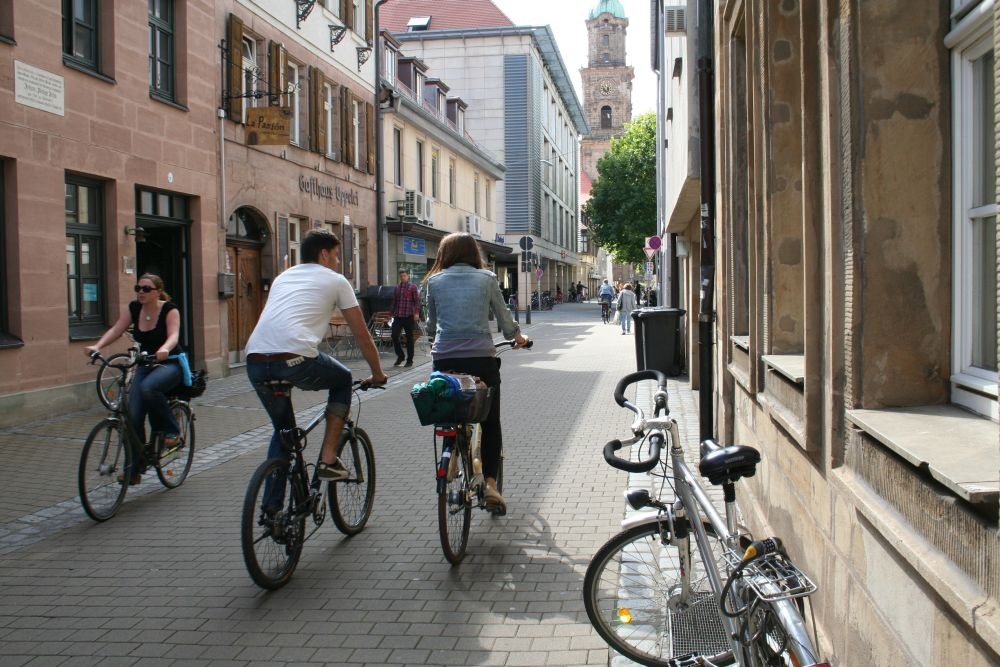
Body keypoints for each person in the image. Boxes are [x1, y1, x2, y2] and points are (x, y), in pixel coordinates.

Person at [246, 230, 387, 485]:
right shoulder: (336, 281)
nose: (337, 261)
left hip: (255, 360)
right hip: (294, 358)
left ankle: (272, 508)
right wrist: (378, 373)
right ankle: (328, 459)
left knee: (284, 433)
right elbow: (362, 335)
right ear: (324, 254)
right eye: (336, 255)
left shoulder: (283, 277)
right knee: (343, 379)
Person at [424, 232, 530, 514]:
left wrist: (434, 343)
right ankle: (491, 485)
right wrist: (518, 337)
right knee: (490, 421)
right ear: (474, 253)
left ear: (444, 254)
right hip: (481, 359)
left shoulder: (434, 282)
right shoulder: (487, 279)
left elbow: (431, 325)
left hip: (444, 359)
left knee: (450, 413)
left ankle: (452, 454)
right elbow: (504, 318)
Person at [85, 273, 183, 484]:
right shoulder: (134, 308)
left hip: (169, 363)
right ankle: (135, 469)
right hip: (145, 364)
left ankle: (172, 430)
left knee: (148, 388)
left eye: (146, 289)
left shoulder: (169, 309)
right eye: (138, 288)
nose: (141, 292)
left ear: (157, 291)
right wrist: (97, 346)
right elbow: (116, 330)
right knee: (132, 418)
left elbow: (174, 335)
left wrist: (165, 348)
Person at [390, 269, 420, 367]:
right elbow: (394, 302)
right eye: (401, 276)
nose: (402, 278)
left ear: (408, 276)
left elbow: (416, 301)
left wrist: (416, 313)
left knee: (409, 338)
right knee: (394, 335)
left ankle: (409, 360)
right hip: (398, 316)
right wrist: (391, 313)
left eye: (404, 276)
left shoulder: (413, 287)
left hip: (408, 316)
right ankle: (401, 356)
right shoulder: (397, 288)